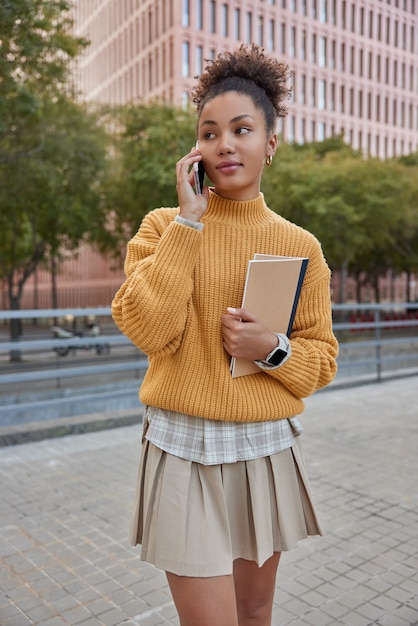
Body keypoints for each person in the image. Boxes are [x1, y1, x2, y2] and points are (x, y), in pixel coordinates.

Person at [112, 44, 338, 626]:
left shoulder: (300, 245)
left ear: (271, 142)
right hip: (181, 448)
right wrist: (189, 225)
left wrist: (273, 350)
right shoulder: (163, 226)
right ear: (196, 149)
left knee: (255, 612)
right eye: (209, 133)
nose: (225, 144)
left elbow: (321, 358)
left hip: (263, 449)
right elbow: (146, 328)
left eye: (242, 129)